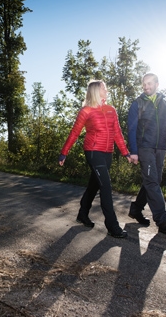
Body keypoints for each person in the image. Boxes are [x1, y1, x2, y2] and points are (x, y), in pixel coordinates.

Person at [59, 80, 131, 238]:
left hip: (108, 153)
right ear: (96, 91)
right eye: (104, 88)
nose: (106, 90)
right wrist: (64, 152)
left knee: (94, 184)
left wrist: (125, 152)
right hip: (93, 151)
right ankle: (112, 226)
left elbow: (117, 133)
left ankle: (82, 214)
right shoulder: (86, 111)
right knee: (105, 185)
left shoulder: (111, 110)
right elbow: (75, 133)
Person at [127, 73, 166, 234]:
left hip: (160, 148)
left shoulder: (164, 104)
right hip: (144, 148)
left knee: (154, 181)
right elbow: (131, 129)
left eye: (149, 83)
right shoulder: (137, 104)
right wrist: (134, 151)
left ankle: (136, 209)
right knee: (152, 182)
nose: (146, 87)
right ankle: (162, 220)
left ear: (157, 84)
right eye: (144, 84)